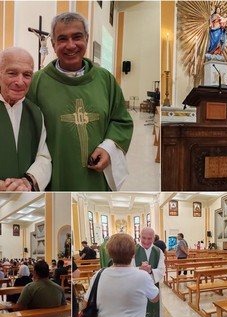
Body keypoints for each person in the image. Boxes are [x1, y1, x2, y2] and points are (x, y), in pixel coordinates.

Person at [27, 12, 133, 191]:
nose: (70, 45)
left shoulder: (105, 80)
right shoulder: (36, 83)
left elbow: (121, 120)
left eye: (77, 37)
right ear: (53, 44)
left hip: (97, 177)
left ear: (87, 38)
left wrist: (109, 148)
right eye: (62, 39)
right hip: (55, 176)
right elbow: (26, 131)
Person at [0, 47, 51, 191]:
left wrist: (27, 181)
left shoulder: (35, 113)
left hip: (23, 199)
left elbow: (44, 157)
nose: (20, 81)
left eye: (27, 75)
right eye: (12, 73)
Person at [83, 233, 159, 317]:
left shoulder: (99, 274)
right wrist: (148, 274)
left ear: (109, 254)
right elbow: (155, 298)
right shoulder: (143, 276)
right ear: (133, 254)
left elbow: (86, 302)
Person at [133, 227, 165, 317]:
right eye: (143, 238)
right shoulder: (132, 250)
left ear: (154, 238)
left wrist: (151, 271)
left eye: (149, 238)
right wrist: (139, 269)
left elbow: (162, 270)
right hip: (136, 288)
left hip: (153, 287)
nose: (146, 241)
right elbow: (127, 270)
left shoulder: (158, 252)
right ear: (139, 237)